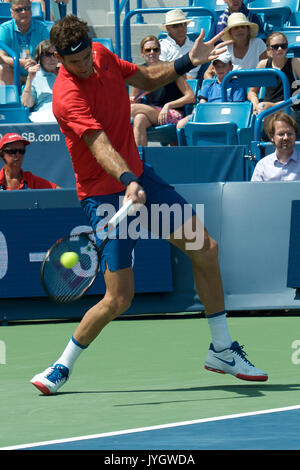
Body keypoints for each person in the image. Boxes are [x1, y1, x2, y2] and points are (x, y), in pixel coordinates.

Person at [30, 14, 268, 396]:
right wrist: (127, 182)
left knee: (205, 249)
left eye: (85, 57)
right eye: (74, 63)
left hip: (141, 178)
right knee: (119, 298)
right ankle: (61, 366)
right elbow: (99, 144)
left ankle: (222, 349)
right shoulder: (66, 96)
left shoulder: (101, 55)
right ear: (58, 59)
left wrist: (188, 60)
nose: (85, 66)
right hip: (105, 195)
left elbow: (142, 78)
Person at [130, 35, 195, 146]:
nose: (152, 52)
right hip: (153, 113)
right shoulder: (140, 73)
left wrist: (168, 105)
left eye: (155, 49)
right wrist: (134, 99)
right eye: (148, 50)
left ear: (160, 51)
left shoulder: (170, 68)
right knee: (139, 118)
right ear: (142, 53)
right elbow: (135, 98)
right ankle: (139, 160)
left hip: (173, 113)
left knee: (129, 109)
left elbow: (190, 97)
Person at [177, 51, 245, 130]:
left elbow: (236, 108)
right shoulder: (207, 87)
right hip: (209, 115)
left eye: (223, 66)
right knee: (181, 124)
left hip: (227, 115)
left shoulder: (237, 86)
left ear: (231, 67)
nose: (220, 69)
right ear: (213, 69)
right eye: (217, 66)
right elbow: (202, 105)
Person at [247, 32, 300, 119]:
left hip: (291, 107)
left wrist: (280, 104)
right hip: (267, 108)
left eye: (283, 46)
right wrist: (255, 103)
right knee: (260, 110)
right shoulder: (263, 65)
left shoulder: (295, 62)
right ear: (268, 49)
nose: (280, 49)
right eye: (275, 47)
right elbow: (252, 91)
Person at [0, 0, 50, 85]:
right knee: (2, 68)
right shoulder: (5, 29)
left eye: (27, 8)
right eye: (19, 10)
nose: (24, 12)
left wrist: (36, 63)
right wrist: (21, 62)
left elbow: (50, 54)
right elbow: (1, 57)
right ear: (12, 14)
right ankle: (12, 97)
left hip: (38, 73)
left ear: (31, 11)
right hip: (15, 75)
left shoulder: (43, 29)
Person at [204, 13, 267, 79]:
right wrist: (217, 86)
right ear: (230, 32)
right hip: (232, 87)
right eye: (236, 28)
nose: (240, 30)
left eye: (243, 27)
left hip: (255, 85)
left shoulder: (258, 43)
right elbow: (208, 73)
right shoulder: (224, 48)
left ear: (248, 30)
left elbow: (265, 69)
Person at [251, 112, 300, 181]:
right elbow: (255, 191)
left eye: (289, 134)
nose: (286, 138)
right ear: (272, 137)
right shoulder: (263, 166)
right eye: (281, 134)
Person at [21, 39, 59, 122]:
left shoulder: (66, 74)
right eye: (47, 55)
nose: (52, 58)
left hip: (66, 115)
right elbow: (27, 103)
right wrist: (29, 79)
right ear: (39, 58)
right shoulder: (35, 77)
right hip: (45, 116)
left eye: (55, 54)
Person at [159, 9, 201, 80]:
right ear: (167, 28)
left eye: (183, 24)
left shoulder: (195, 47)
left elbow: (191, 76)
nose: (180, 28)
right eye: (175, 26)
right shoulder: (160, 47)